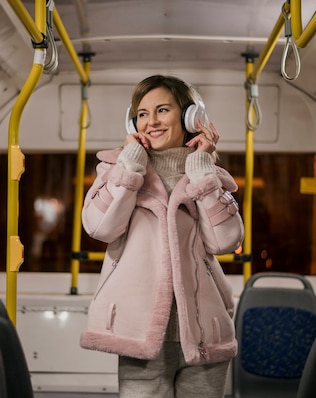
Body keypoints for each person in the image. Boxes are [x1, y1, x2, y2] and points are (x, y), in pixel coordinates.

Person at [79, 74, 244, 397]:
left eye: (162, 110)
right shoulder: (115, 171)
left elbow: (225, 241)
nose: (150, 121)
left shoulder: (208, 176)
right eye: (142, 113)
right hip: (140, 334)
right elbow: (100, 228)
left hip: (202, 332)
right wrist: (129, 168)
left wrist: (202, 171)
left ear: (189, 117)